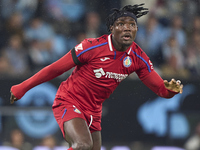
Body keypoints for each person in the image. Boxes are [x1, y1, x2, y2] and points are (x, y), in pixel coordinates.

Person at [10, 4, 183, 150]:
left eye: (132, 24)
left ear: (137, 29)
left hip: (94, 111)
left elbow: (160, 89)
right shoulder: (91, 47)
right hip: (69, 100)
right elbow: (54, 69)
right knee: (83, 144)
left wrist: (170, 92)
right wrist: (22, 87)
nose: (127, 28)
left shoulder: (138, 57)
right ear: (112, 28)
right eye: (121, 24)